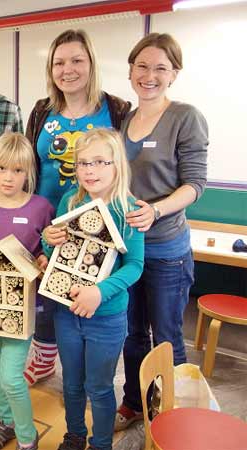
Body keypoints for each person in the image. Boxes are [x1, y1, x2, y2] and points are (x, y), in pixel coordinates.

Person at [24, 29, 131, 386]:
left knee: (88, 290)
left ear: (91, 64)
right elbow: (29, 165)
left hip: (98, 222)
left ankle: (89, 368)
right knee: (46, 289)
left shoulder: (115, 110)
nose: (67, 69)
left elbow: (125, 164)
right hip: (47, 220)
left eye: (76, 60)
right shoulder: (42, 110)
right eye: (59, 62)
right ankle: (44, 353)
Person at [115, 33, 208, 430]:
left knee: (167, 336)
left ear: (174, 74)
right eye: (142, 66)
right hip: (127, 248)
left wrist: (155, 210)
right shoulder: (123, 120)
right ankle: (134, 402)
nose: (149, 75)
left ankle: (173, 412)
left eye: (160, 68)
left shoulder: (185, 117)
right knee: (132, 333)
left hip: (167, 249)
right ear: (132, 70)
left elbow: (195, 185)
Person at [43, 128, 144, 450]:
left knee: (99, 387)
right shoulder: (69, 201)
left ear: (117, 166)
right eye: (83, 162)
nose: (90, 170)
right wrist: (49, 243)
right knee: (71, 384)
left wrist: (100, 292)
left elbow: (135, 265)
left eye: (100, 162)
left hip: (106, 317)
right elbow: (57, 254)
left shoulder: (129, 210)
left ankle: (101, 443)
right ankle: (74, 436)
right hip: (67, 312)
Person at [0, 133, 55, 450]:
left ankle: (27, 439)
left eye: (17, 171)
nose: (9, 177)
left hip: (23, 306)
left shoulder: (41, 208)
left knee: (12, 377)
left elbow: (49, 247)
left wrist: (45, 258)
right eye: (2, 169)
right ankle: (5, 423)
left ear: (28, 171)